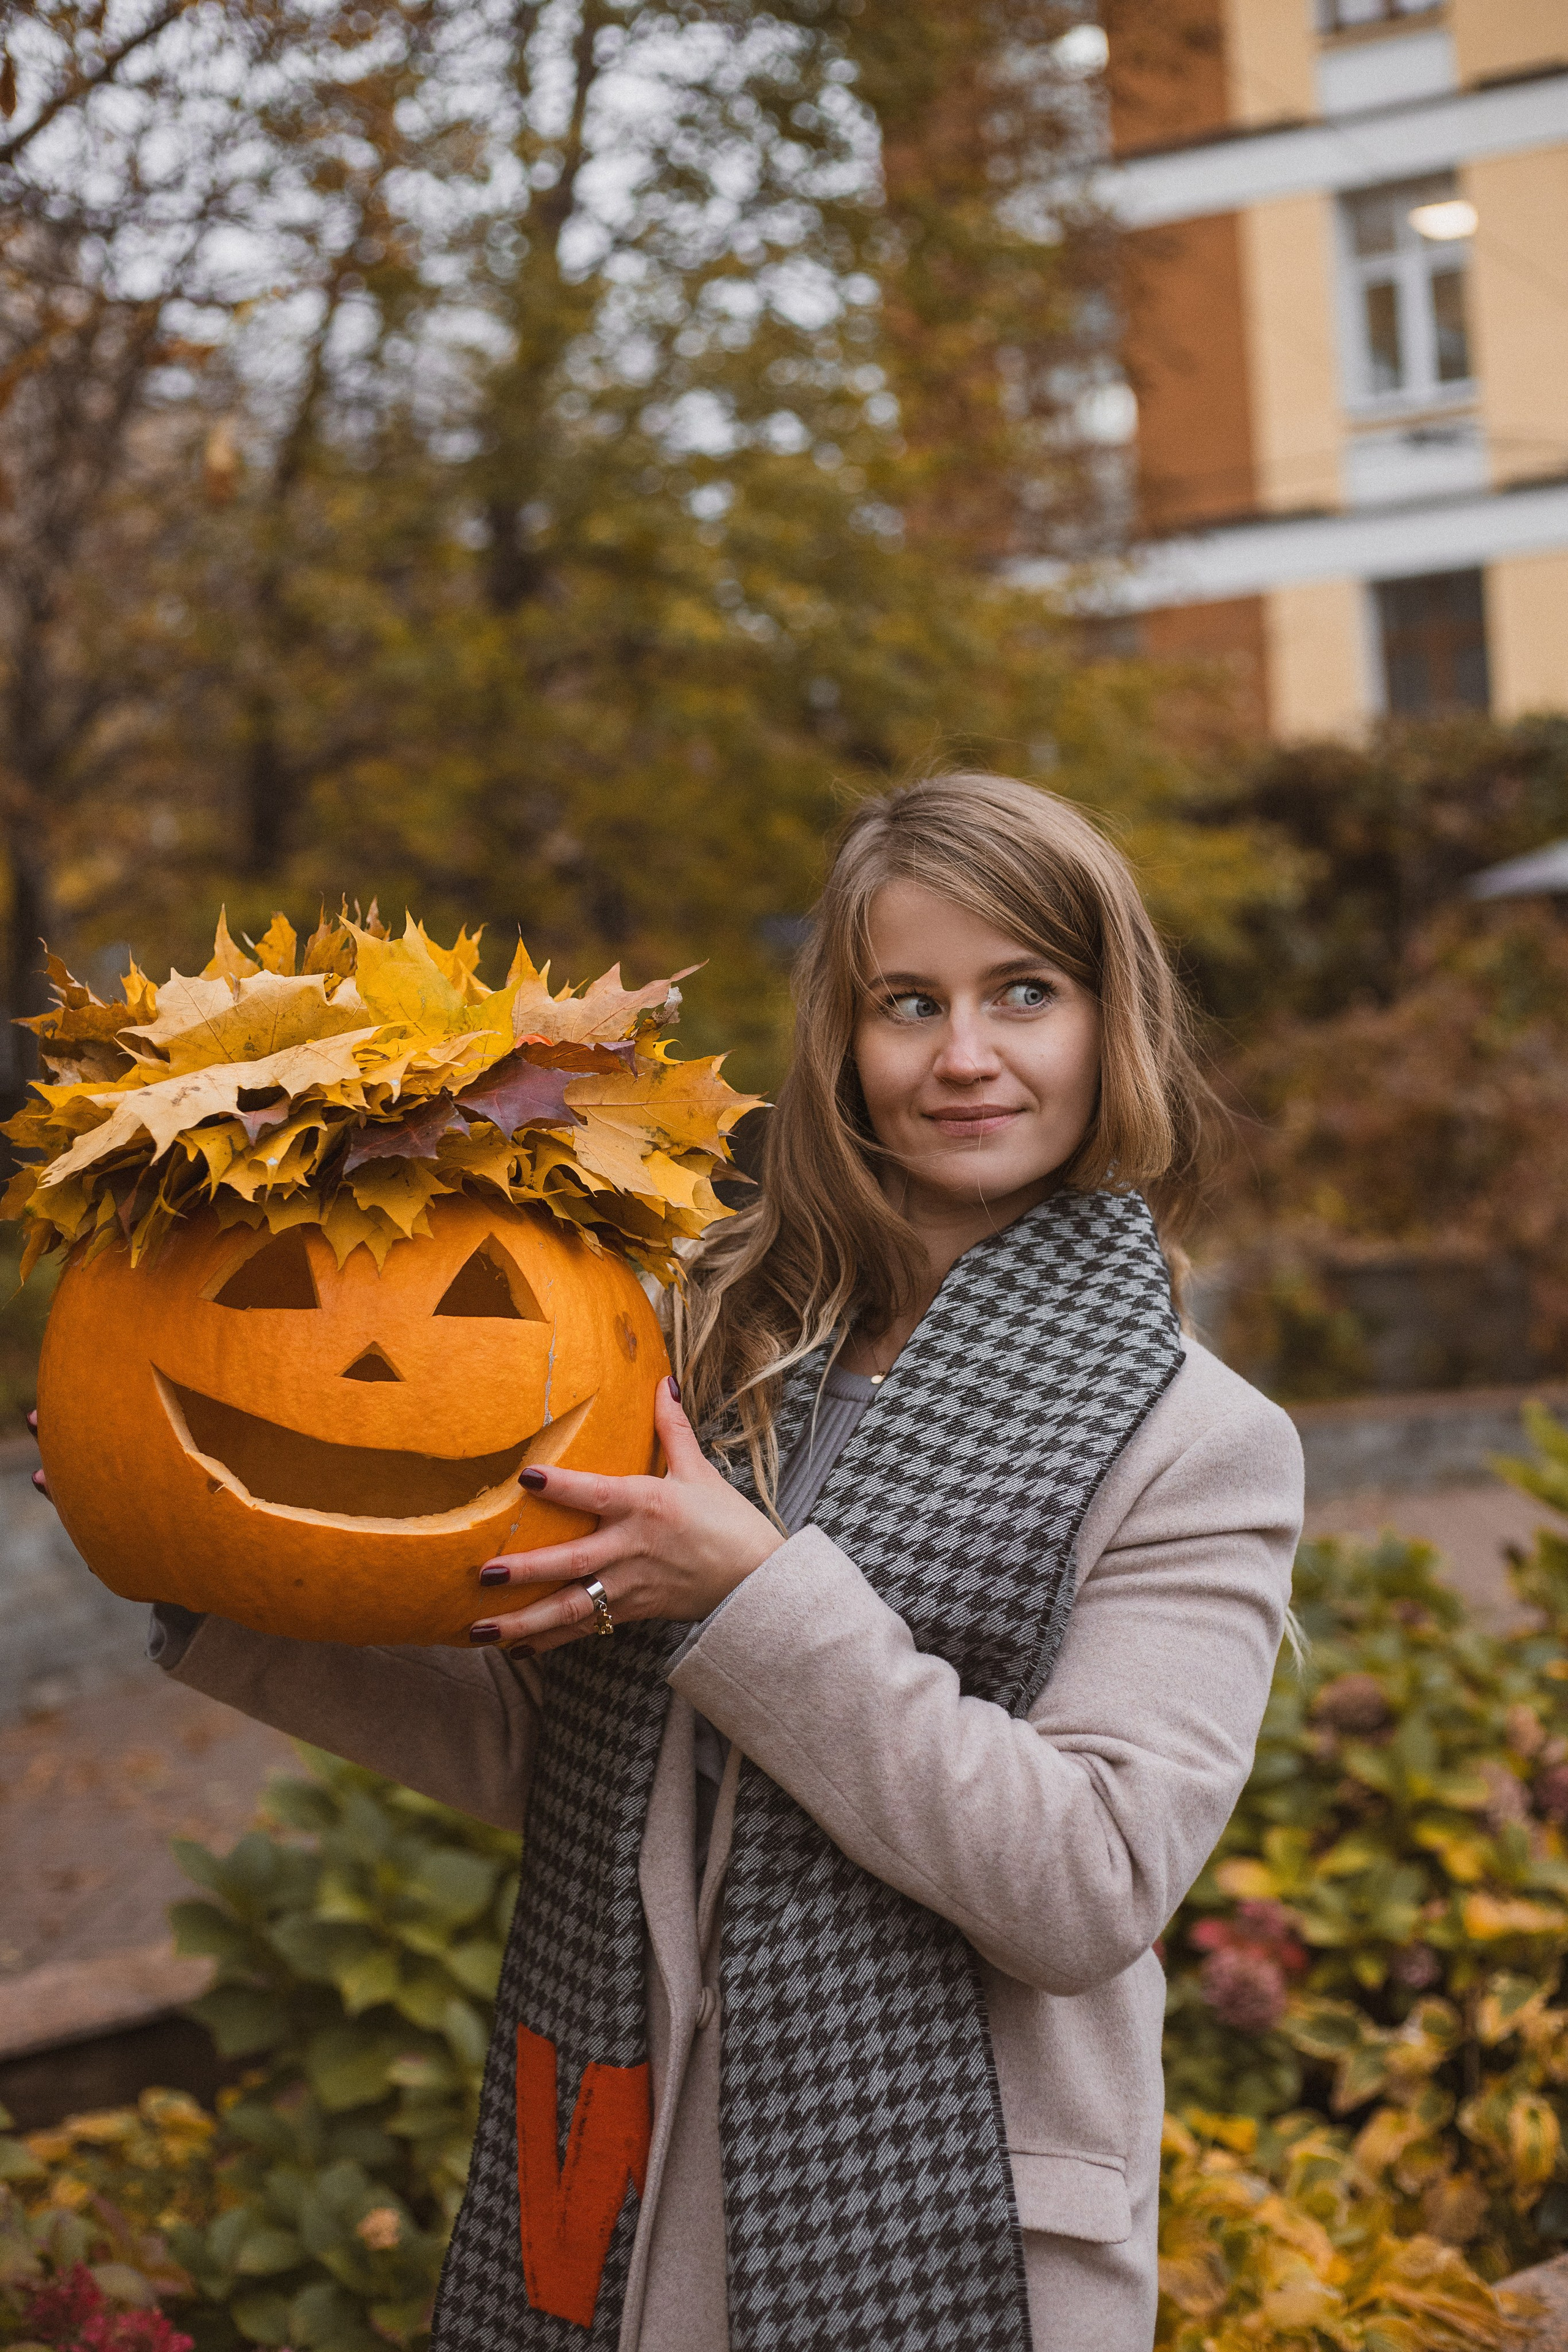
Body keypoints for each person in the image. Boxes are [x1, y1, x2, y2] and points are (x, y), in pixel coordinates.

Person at [36, 773, 1302, 2352]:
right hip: (617, 2190)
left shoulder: (1195, 1439)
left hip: (946, 2229)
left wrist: (756, 1595)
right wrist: (204, 1556)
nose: (964, 1056)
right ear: (840, 1043)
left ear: (1114, 1025)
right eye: (906, 1003)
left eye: (1023, 994)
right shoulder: (708, 1350)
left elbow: (1085, 1881)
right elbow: (561, 1749)